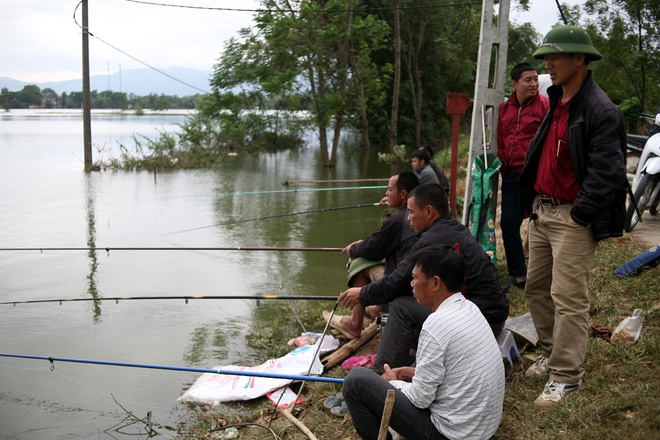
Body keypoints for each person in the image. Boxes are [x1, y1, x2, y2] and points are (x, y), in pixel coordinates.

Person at [519, 25, 627, 407]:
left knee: (568, 298)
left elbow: (608, 172)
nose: (547, 64)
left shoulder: (600, 109)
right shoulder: (557, 99)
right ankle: (550, 352)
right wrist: (532, 209)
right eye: (545, 57)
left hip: (571, 217)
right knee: (536, 288)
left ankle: (566, 377)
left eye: (555, 56)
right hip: (543, 211)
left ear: (580, 59)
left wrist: (580, 215)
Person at [339, 184, 509, 373]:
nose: (409, 219)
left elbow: (396, 281)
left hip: (482, 321)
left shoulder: (433, 239)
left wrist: (363, 294)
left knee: (402, 306)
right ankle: (412, 358)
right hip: (488, 314)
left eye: (411, 213)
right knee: (418, 294)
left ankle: (380, 375)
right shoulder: (451, 228)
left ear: (429, 211)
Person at [342, 245, 505, 440]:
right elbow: (451, 373)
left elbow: (420, 399)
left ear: (435, 282)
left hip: (451, 435)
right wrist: (407, 373)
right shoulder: (469, 309)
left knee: (355, 381)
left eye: (415, 278)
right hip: (482, 430)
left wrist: (393, 382)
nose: (411, 284)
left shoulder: (436, 325)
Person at [334, 171, 419, 338]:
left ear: (403, 194)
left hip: (402, 283)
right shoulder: (414, 213)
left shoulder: (396, 220)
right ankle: (377, 307)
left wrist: (353, 249)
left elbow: (371, 248)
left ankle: (354, 324)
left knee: (359, 264)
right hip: (412, 275)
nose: (386, 194)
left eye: (389, 190)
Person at [497, 63, 549, 291]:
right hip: (511, 177)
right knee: (508, 224)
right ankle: (519, 275)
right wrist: (502, 163)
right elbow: (501, 138)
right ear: (515, 84)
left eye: (536, 79)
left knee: (543, 224)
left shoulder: (546, 105)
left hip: (537, 176)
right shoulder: (504, 109)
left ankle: (546, 274)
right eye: (528, 80)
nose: (534, 84)